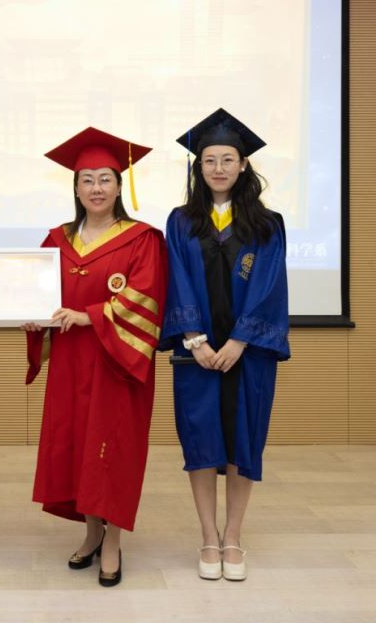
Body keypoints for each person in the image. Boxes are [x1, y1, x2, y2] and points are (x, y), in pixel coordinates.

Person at [24, 127, 168, 588]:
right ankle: (90, 533)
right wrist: (32, 317)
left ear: (119, 186)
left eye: (105, 179)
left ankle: (112, 542)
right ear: (75, 187)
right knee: (78, 447)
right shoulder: (57, 239)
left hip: (116, 362)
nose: (96, 188)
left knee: (113, 449)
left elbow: (147, 299)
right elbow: (38, 296)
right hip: (70, 362)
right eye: (87, 180)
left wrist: (89, 315)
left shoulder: (143, 239)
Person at [162, 108, 290, 582]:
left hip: (247, 355)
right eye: (210, 160)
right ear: (199, 167)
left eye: (227, 159)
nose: (218, 168)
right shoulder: (181, 222)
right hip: (195, 353)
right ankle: (208, 535)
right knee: (201, 442)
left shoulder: (267, 225)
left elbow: (269, 286)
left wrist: (239, 340)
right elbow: (176, 279)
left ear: (243, 165)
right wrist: (193, 338)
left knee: (242, 442)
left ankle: (233, 535)